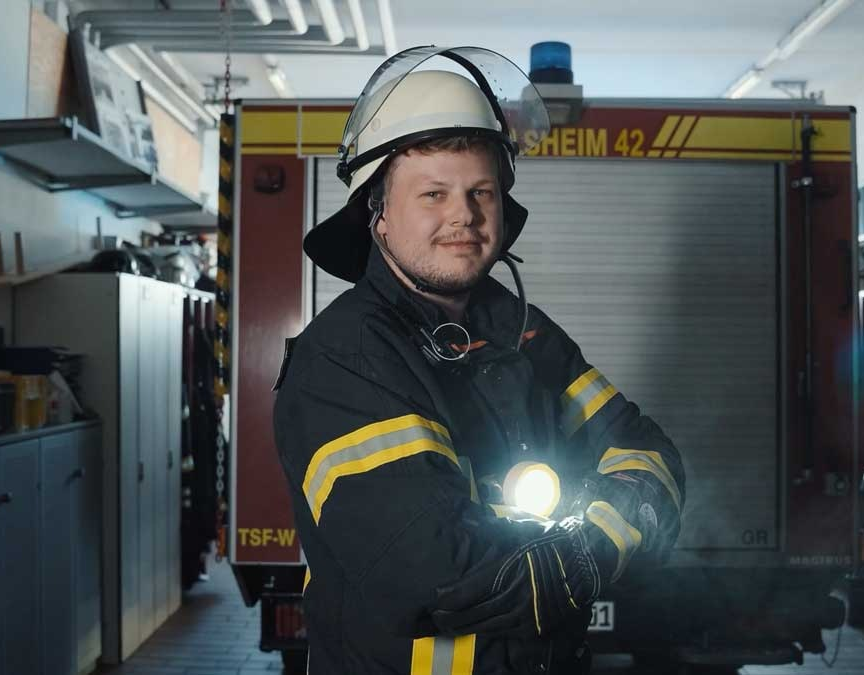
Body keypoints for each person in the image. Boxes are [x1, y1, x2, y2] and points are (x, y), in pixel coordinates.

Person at [272, 46, 685, 674]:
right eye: (433, 194)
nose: (462, 215)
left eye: (480, 192)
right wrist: (597, 542)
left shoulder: (526, 335)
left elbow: (650, 455)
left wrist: (580, 554)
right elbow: (443, 572)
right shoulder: (345, 359)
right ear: (378, 215)